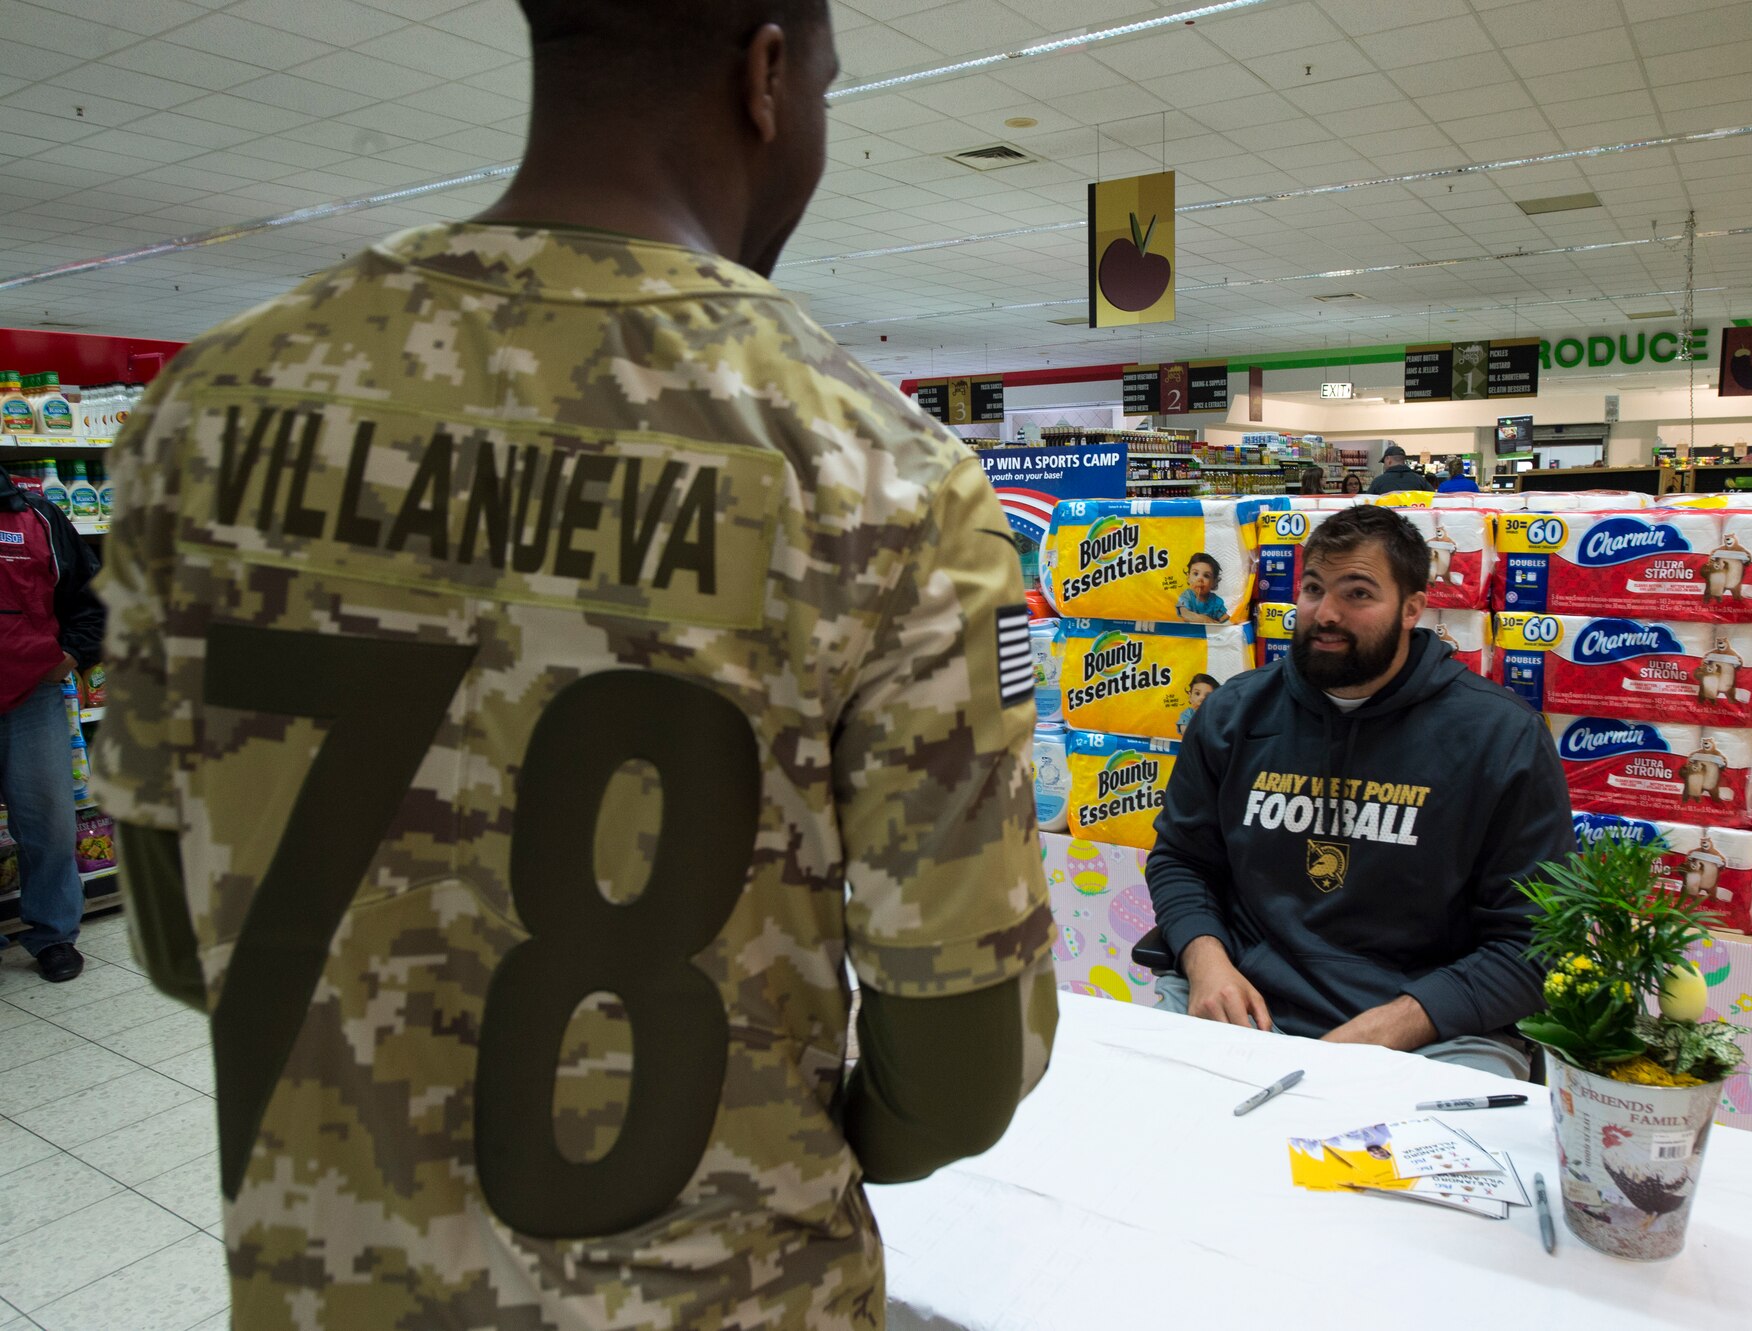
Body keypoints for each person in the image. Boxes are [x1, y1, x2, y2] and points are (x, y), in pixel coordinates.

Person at [92, 2, 1057, 1327]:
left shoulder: (204, 411)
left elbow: (174, 930)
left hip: (332, 1280)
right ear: (769, 76)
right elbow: (957, 1066)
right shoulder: (881, 477)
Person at [1145, 507, 1572, 1079]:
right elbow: (1181, 860)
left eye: (1358, 593)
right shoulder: (1232, 712)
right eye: (1314, 588)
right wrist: (1205, 961)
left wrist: (1399, 1022)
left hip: (1427, 1033)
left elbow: (1534, 941)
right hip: (1244, 1004)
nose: (1326, 614)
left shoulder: (1500, 737)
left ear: (1412, 609)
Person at [0, 463, 102, 983]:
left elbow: (92, 597)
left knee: (48, 824)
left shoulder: (37, 515)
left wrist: (73, 652)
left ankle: (53, 935)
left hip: (30, 697)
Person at [1175, 552, 1229, 623]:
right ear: (1188, 577)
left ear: (1214, 582)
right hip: (1191, 632)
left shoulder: (1216, 601)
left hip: (1211, 633)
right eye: (1195, 574)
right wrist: (1205, 619)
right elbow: (1185, 614)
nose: (1200, 579)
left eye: (1206, 576)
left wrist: (1220, 621)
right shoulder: (1186, 597)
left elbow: (1225, 617)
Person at [1366, 444, 1434, 496]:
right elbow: (1433, 498)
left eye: (1384, 462)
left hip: (1386, 514)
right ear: (1403, 460)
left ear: (1388, 460)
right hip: (1411, 514)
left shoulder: (1378, 481)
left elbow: (1368, 503)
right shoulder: (1420, 480)